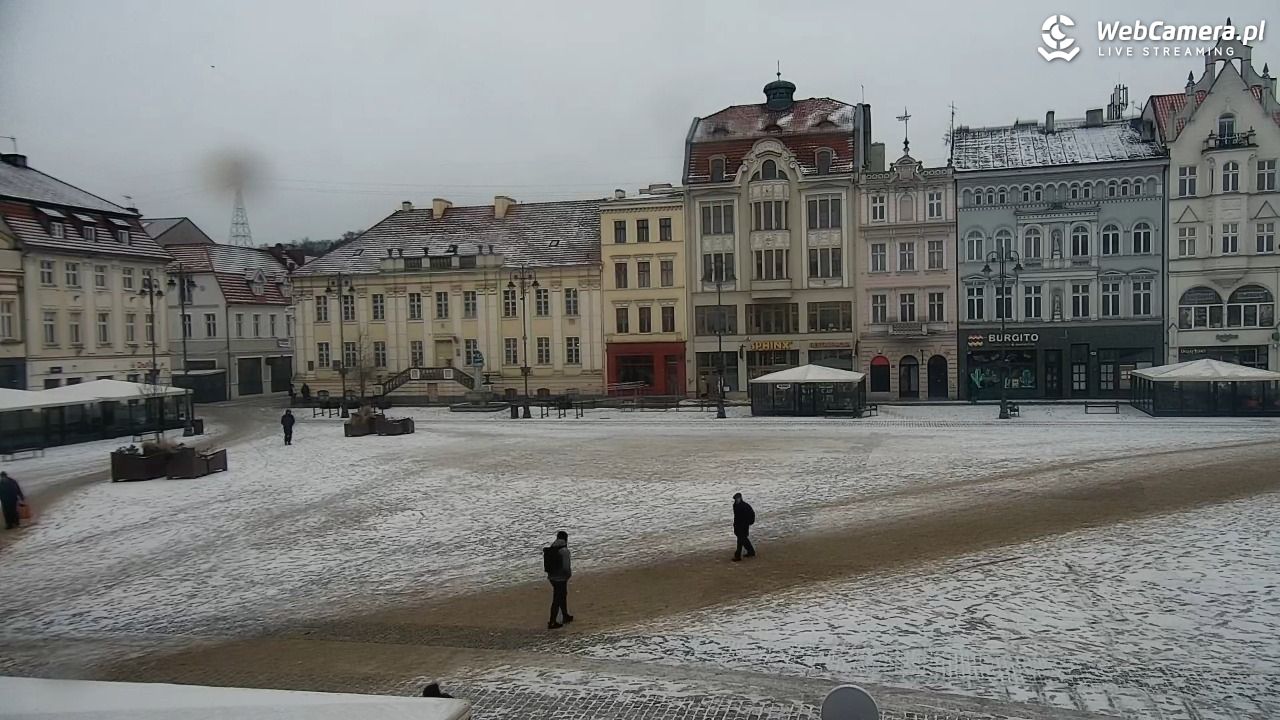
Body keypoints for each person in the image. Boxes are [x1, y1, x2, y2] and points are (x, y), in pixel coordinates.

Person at [545, 530, 573, 629]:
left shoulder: (552, 548)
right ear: (566, 538)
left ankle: (565, 615)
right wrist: (568, 575)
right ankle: (552, 621)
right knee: (558, 598)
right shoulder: (564, 550)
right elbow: (566, 567)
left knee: (561, 595)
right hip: (561, 578)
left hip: (552, 577)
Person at [732, 492, 756, 561]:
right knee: (743, 539)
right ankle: (751, 551)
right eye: (736, 499)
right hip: (738, 525)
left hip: (744, 525)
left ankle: (737, 556)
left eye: (738, 498)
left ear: (741, 498)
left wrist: (749, 522)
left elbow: (752, 514)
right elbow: (736, 517)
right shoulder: (735, 505)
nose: (737, 500)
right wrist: (735, 525)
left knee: (740, 540)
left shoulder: (745, 506)